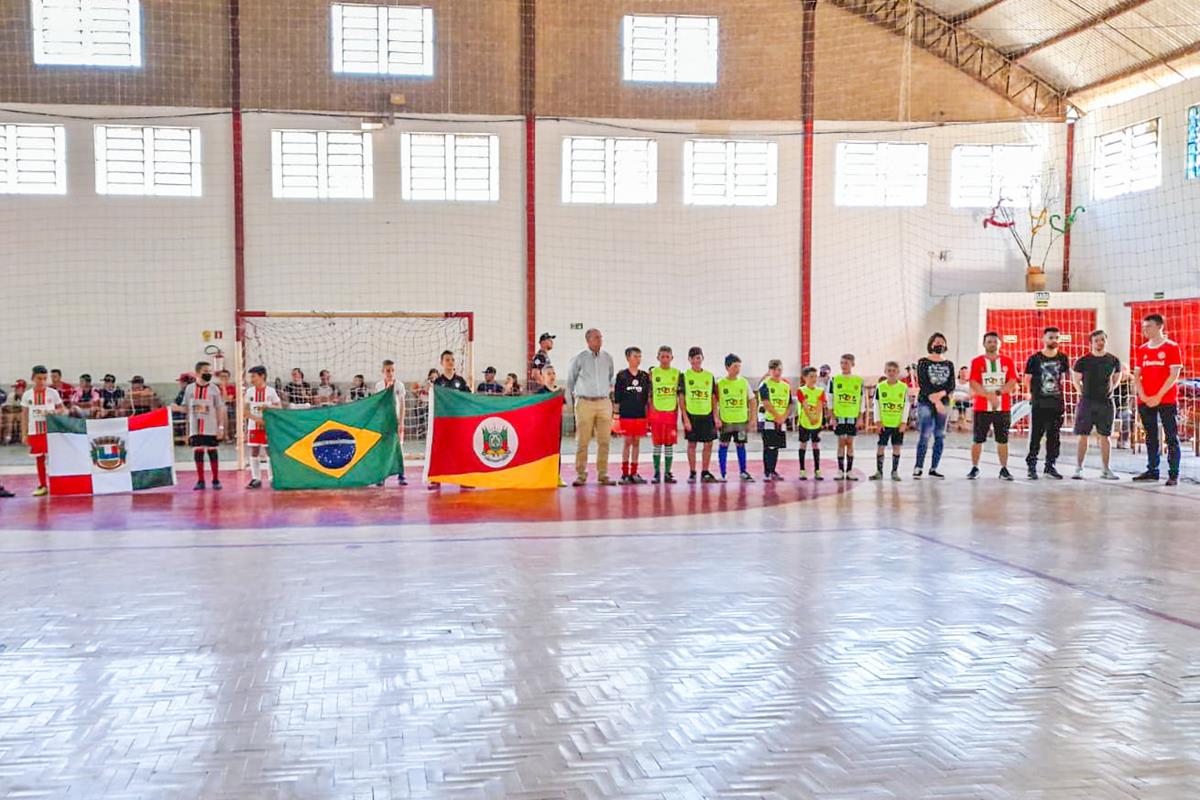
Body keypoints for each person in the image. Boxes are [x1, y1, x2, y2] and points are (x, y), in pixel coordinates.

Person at [1132, 313, 1184, 486]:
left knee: (1171, 437)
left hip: (1166, 399)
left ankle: (1173, 473)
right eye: (1143, 327)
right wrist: (1143, 395)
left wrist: (1158, 396)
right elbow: (1137, 375)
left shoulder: (1171, 347)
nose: (1145, 330)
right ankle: (1152, 469)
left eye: (1149, 326)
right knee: (1150, 436)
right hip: (1145, 400)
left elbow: (1173, 375)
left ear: (1160, 326)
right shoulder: (1142, 349)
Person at [566, 328, 615, 486]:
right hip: (584, 402)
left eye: (600, 337)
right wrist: (569, 403)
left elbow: (610, 377)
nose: (600, 340)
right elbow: (570, 381)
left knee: (605, 441)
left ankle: (603, 474)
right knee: (583, 441)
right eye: (596, 337)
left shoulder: (608, 358)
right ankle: (581, 474)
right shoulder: (579, 358)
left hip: (604, 402)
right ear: (588, 340)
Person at [1072, 330, 1122, 481]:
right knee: (1083, 436)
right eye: (1096, 340)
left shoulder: (1113, 360)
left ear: (1106, 341)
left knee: (1105, 437)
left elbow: (1116, 380)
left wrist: (1107, 393)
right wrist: (1083, 394)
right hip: (1087, 402)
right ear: (1091, 343)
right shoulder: (1083, 361)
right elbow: (1076, 380)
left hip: (1106, 403)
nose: (1100, 342)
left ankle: (1106, 469)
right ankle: (1079, 468)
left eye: (1102, 340)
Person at [968, 332, 1018, 481]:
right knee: (978, 439)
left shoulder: (1008, 361)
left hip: (1003, 408)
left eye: (995, 342)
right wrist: (989, 397)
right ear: (984, 344)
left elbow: (1012, 382)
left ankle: (1004, 469)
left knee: (1003, 440)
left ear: (999, 344)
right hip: (982, 408)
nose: (992, 344)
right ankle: (974, 467)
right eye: (989, 341)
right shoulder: (977, 362)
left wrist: (997, 393)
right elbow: (974, 383)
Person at [1023, 326, 1070, 480]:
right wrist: (1029, 394)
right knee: (1036, 436)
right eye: (1051, 337)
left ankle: (1050, 466)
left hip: (1056, 403)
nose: (1054, 340)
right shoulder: (1035, 358)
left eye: (1057, 337)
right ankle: (1031, 466)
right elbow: (1027, 379)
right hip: (1039, 403)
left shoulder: (1063, 358)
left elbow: (1062, 377)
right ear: (1044, 339)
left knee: (1054, 436)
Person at [173, 361, 226, 490]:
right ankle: (200, 480)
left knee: (212, 451)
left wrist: (220, 427)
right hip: (195, 427)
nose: (208, 374)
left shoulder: (214, 388)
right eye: (205, 371)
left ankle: (215, 479)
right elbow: (186, 409)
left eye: (210, 371)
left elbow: (219, 408)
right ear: (197, 373)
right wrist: (177, 408)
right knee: (198, 452)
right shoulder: (190, 388)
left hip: (211, 426)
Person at [21, 366, 66, 497]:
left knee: (55, 459)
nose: (42, 381)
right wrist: (24, 434)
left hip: (51, 431)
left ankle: (57, 484)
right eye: (39, 378)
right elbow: (24, 415)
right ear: (33, 378)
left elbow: (62, 409)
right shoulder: (27, 395)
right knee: (39, 459)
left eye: (44, 378)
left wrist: (52, 412)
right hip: (35, 432)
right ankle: (43, 485)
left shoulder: (53, 393)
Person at [914, 332, 954, 479]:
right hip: (926, 402)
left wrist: (941, 397)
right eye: (937, 342)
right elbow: (923, 384)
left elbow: (951, 385)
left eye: (942, 342)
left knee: (940, 435)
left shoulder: (949, 363)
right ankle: (918, 467)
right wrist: (935, 401)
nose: (940, 344)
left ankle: (934, 468)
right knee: (925, 434)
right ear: (931, 344)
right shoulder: (923, 362)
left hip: (943, 404)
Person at [680, 346, 720, 484]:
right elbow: (681, 398)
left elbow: (713, 397)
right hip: (692, 415)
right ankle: (692, 472)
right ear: (689, 360)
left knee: (708, 444)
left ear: (702, 358)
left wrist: (716, 416)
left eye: (699, 357)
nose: (697, 360)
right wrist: (685, 418)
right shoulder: (684, 376)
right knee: (692, 444)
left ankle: (705, 471)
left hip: (707, 415)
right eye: (694, 358)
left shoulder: (709, 376)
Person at [613, 347, 651, 484]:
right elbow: (617, 397)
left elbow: (647, 398)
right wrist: (616, 416)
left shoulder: (644, 376)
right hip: (626, 415)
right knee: (627, 442)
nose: (638, 359)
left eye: (640, 356)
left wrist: (648, 416)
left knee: (636, 442)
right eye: (635, 356)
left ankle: (634, 472)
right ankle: (624, 473)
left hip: (640, 415)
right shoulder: (622, 376)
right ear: (628, 357)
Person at [717, 354, 755, 483]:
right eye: (735, 366)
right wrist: (716, 418)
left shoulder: (743, 382)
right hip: (726, 421)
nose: (738, 369)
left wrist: (752, 419)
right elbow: (713, 401)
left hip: (741, 421)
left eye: (739, 366)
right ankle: (722, 473)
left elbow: (752, 400)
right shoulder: (720, 383)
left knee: (740, 445)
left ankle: (743, 472)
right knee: (723, 445)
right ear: (727, 367)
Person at [244, 366, 282, 489]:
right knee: (254, 450)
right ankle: (256, 478)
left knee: (268, 451)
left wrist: (269, 407)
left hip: (268, 426)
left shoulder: (270, 391)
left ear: (262, 376)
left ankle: (272, 478)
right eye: (251, 376)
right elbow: (245, 411)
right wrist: (257, 419)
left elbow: (279, 407)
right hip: (254, 425)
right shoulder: (249, 392)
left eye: (253, 376)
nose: (252, 379)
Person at [871, 361, 910, 481]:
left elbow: (906, 405)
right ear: (885, 372)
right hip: (884, 423)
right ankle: (879, 472)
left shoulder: (903, 387)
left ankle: (894, 472)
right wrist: (877, 420)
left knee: (896, 447)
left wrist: (904, 422)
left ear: (898, 373)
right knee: (881, 446)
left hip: (897, 423)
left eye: (894, 371)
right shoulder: (880, 386)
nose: (891, 373)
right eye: (889, 371)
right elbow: (876, 404)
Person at [829, 354, 865, 481]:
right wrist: (832, 416)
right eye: (842, 363)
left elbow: (862, 400)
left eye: (846, 363)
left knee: (850, 443)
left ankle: (849, 471)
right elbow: (830, 399)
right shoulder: (834, 379)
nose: (844, 365)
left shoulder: (858, 381)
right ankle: (839, 470)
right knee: (840, 443)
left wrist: (860, 417)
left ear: (852, 364)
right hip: (839, 416)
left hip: (852, 417)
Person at [648, 346, 681, 484]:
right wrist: (651, 408)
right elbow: (649, 394)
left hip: (671, 414)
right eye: (662, 356)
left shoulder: (677, 373)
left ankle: (667, 473)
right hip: (657, 413)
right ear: (658, 357)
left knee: (669, 444)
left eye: (668, 356)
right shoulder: (652, 373)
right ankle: (656, 473)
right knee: (657, 444)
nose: (665, 359)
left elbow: (680, 395)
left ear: (672, 358)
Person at [758, 359, 794, 482]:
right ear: (769, 371)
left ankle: (773, 471)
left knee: (776, 446)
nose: (777, 372)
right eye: (774, 370)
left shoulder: (785, 386)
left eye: (779, 369)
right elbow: (766, 403)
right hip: (768, 420)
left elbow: (790, 404)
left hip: (781, 421)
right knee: (768, 446)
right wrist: (777, 416)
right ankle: (767, 472)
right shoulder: (765, 385)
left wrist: (783, 417)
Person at [374, 359, 408, 486]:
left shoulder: (399, 385)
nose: (391, 373)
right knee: (383, 448)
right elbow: (377, 404)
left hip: (396, 420)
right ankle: (381, 476)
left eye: (393, 370)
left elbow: (403, 405)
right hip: (384, 421)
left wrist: (401, 422)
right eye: (388, 370)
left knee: (398, 447)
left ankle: (401, 475)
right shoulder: (378, 386)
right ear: (383, 371)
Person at [796, 367, 827, 480]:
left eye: (815, 376)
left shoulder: (820, 391)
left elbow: (819, 406)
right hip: (805, 423)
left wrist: (816, 419)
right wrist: (810, 418)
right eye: (811, 377)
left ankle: (817, 470)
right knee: (803, 444)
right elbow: (804, 406)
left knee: (815, 444)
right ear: (805, 378)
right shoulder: (801, 390)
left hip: (816, 424)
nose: (814, 379)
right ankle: (802, 470)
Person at [952, 366, 972, 432]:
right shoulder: (954, 382)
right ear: (959, 373)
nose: (964, 374)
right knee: (954, 403)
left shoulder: (970, 384)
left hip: (966, 401)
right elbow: (949, 392)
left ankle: (962, 421)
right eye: (962, 372)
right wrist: (952, 398)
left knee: (962, 403)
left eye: (966, 372)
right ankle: (959, 421)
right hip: (953, 400)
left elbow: (972, 394)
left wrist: (968, 397)